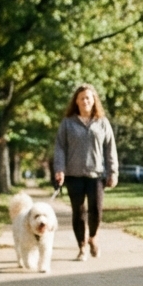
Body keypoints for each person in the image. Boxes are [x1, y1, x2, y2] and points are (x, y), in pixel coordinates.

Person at [53, 84, 118, 261]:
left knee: (96, 210)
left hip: (96, 175)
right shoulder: (67, 123)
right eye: (82, 98)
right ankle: (81, 246)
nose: (85, 101)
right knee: (78, 212)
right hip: (74, 175)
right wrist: (59, 169)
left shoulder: (102, 122)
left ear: (94, 100)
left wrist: (113, 172)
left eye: (88, 98)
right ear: (76, 101)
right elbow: (60, 147)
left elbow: (110, 148)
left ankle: (93, 237)